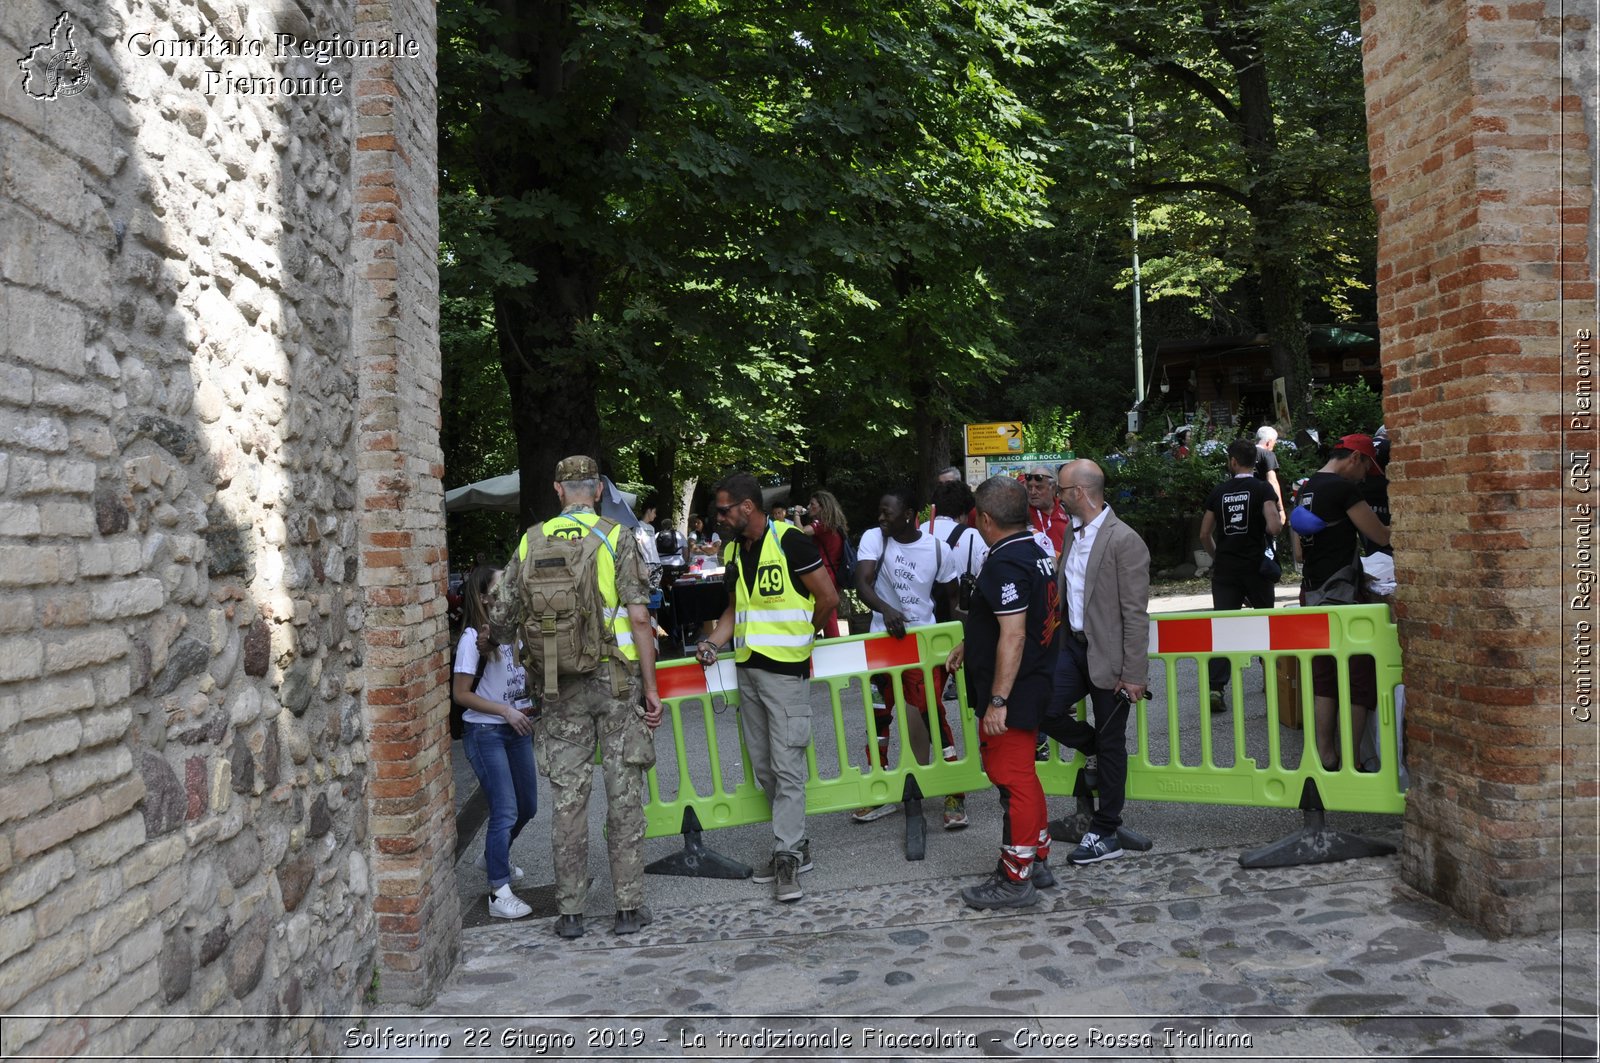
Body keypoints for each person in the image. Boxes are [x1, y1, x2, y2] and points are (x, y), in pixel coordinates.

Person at [491, 455, 664, 939]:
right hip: (614, 683)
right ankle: (628, 908)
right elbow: (639, 619)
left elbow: (503, 619)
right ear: (600, 491)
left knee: (568, 801)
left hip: (557, 685)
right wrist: (651, 689)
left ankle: (569, 914)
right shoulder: (617, 537)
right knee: (623, 795)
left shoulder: (531, 539)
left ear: (559, 490)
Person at [696, 472, 838, 903]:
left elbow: (828, 599)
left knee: (788, 765)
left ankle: (788, 854)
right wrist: (712, 643)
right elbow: (736, 608)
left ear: (746, 507)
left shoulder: (791, 541)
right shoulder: (737, 549)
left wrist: (802, 640)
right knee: (765, 767)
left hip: (784, 673)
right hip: (748, 671)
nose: (717, 518)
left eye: (723, 510)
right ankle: (793, 844)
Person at [943, 476, 1059, 908]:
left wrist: (997, 701)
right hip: (1033, 681)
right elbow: (1012, 619)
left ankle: (1016, 879)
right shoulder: (1036, 549)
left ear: (985, 519)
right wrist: (969, 642)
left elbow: (1013, 635)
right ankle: (1038, 859)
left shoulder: (1005, 562)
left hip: (1015, 689)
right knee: (1023, 776)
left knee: (1012, 781)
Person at [1038, 459, 1150, 865]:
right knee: (1043, 709)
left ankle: (1106, 829)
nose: (1057, 497)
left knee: (1112, 741)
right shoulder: (1071, 532)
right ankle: (1094, 746)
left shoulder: (1125, 540)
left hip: (1111, 658)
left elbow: (1136, 614)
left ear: (1080, 493)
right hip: (1073, 647)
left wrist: (1135, 674)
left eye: (1061, 491)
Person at [853, 487, 965, 829]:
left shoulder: (937, 548)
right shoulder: (875, 538)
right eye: (880, 511)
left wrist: (958, 641)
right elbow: (862, 583)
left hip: (921, 643)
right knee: (879, 719)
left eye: (888, 512)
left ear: (909, 514)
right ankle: (882, 792)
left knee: (933, 714)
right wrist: (887, 610)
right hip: (881, 645)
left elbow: (952, 599)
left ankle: (953, 792)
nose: (881, 517)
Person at [1290, 434, 1392, 770]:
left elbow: (1298, 552)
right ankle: (1351, 760)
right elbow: (1379, 536)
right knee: (1358, 678)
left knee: (1324, 676)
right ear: (1354, 458)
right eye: (1366, 468)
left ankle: (1326, 756)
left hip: (1313, 593)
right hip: (1344, 596)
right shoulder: (1343, 489)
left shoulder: (1306, 489)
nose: (1365, 477)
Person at [455, 565, 537, 920]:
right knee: (505, 809)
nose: (510, 590)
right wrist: (505, 711)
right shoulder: (472, 638)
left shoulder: (515, 632)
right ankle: (498, 892)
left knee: (527, 807)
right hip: (485, 731)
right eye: (501, 587)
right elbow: (460, 696)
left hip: (514, 728)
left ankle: (493, 856)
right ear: (485, 598)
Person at [1199, 439, 1284, 712]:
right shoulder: (1262, 488)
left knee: (1223, 628)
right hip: (1256, 569)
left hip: (1226, 572)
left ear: (1232, 462)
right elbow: (1274, 526)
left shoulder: (1219, 491)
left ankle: (1216, 689)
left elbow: (1204, 534)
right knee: (1266, 624)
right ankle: (1273, 682)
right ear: (1254, 462)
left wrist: (1218, 557)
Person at [804, 490, 850, 638]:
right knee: (829, 609)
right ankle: (831, 640)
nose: (809, 507)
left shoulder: (821, 524)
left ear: (822, 506)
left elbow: (801, 532)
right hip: (835, 572)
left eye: (812, 504)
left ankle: (833, 643)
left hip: (826, 573)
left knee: (828, 610)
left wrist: (797, 515)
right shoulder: (834, 524)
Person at [1023, 462, 1069, 558]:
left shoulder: (1067, 511)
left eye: (1039, 487)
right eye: (1029, 487)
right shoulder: (1022, 513)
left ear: (1053, 488)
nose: (1033, 492)